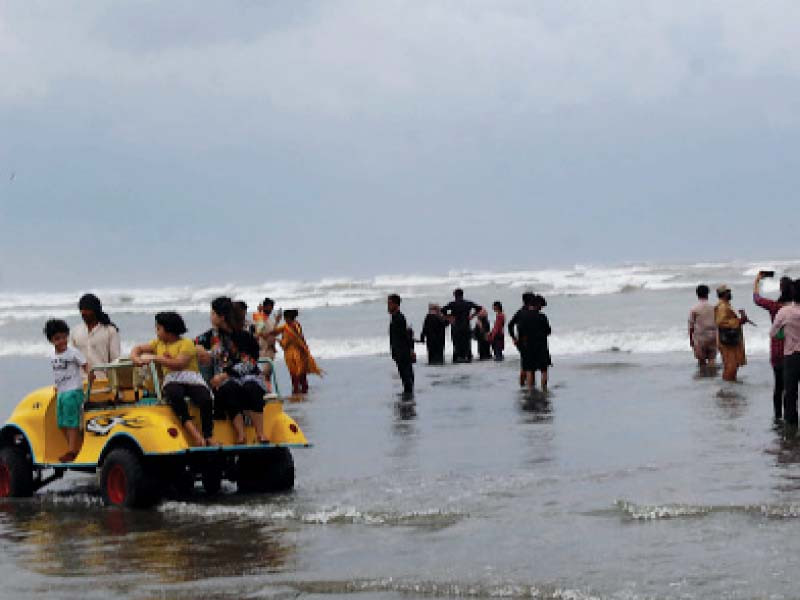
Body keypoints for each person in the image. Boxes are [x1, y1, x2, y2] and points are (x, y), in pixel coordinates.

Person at [131, 312, 215, 447]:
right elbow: (139, 348)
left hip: (190, 377)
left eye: (159, 328)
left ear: (169, 330)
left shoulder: (186, 343)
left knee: (205, 398)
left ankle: (208, 435)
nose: (156, 331)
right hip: (172, 379)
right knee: (174, 394)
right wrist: (135, 357)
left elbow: (179, 364)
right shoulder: (158, 343)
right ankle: (193, 431)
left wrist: (155, 358)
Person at [44, 319, 90, 462]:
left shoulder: (73, 352)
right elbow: (57, 373)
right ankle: (76, 445)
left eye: (64, 337)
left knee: (71, 422)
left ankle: (72, 451)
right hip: (62, 392)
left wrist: (91, 376)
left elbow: (85, 364)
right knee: (62, 423)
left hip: (73, 390)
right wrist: (57, 386)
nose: (62, 341)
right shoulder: (52, 356)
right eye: (57, 339)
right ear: (51, 340)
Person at [195, 297, 244, 429]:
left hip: (233, 378)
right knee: (201, 356)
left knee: (229, 386)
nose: (210, 316)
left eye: (212, 313)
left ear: (221, 317)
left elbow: (244, 362)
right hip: (214, 379)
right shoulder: (205, 337)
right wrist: (199, 350)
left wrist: (224, 376)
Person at [216, 331, 269, 444]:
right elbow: (223, 366)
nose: (231, 345)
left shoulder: (250, 356)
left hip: (251, 378)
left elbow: (247, 366)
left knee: (251, 388)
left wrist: (226, 374)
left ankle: (260, 433)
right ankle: (241, 434)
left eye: (233, 343)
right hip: (232, 381)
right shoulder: (225, 354)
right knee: (229, 389)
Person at [754, 272, 793, 419]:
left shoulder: (774, 306)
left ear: (781, 290)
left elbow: (756, 299)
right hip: (793, 352)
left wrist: (757, 280)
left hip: (777, 351)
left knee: (779, 387)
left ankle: (777, 417)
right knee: (791, 388)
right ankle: (790, 417)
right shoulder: (796, 309)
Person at [770, 280, 800, 427]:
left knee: (790, 394)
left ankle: (792, 430)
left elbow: (773, 332)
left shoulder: (784, 311)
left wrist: (785, 332)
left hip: (792, 356)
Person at [272, 309, 323, 394]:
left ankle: (297, 394)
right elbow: (301, 338)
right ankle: (302, 393)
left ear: (287, 318)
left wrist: (279, 341)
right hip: (297, 353)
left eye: (285, 318)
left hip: (293, 354)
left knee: (296, 376)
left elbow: (285, 342)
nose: (285, 320)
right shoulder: (295, 325)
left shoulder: (288, 327)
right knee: (301, 375)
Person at [509, 293, 552, 391]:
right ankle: (544, 390)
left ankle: (528, 391)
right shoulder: (542, 317)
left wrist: (515, 339)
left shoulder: (522, 315)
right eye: (541, 306)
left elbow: (518, 328)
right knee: (543, 369)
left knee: (528, 369)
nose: (541, 308)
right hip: (541, 346)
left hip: (527, 346)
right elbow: (548, 331)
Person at [70, 293, 121, 371]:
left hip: (103, 380)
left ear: (95, 310)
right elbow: (72, 359)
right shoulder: (75, 331)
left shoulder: (110, 331)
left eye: (87, 309)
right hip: (81, 381)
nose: (83, 312)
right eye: (81, 309)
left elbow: (115, 360)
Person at [714, 285, 748, 382]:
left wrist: (740, 320)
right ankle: (728, 390)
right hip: (727, 340)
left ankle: (729, 386)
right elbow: (721, 322)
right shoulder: (722, 306)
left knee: (733, 364)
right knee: (731, 366)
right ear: (724, 294)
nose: (730, 294)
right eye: (728, 292)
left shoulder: (726, 305)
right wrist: (739, 321)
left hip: (730, 339)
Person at [441, 289, 481, 363]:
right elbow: (479, 308)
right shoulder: (468, 303)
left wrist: (449, 317)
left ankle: (457, 358)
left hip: (456, 327)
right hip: (466, 326)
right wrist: (472, 316)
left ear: (455, 295)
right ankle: (467, 358)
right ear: (462, 295)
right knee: (466, 343)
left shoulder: (452, 304)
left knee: (457, 344)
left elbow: (442, 310)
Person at [253, 297, 282, 393]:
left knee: (268, 374)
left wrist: (277, 321)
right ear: (264, 306)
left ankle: (268, 392)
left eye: (272, 307)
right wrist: (259, 312)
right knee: (264, 374)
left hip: (270, 350)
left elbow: (272, 332)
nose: (270, 309)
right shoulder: (260, 318)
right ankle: (265, 392)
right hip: (263, 349)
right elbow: (259, 331)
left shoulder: (270, 320)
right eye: (269, 307)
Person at [388, 294, 414, 394]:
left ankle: (408, 403)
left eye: (390, 303)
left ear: (396, 304)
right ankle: (408, 401)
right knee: (406, 379)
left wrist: (411, 351)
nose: (388, 306)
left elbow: (407, 336)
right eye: (388, 303)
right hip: (399, 353)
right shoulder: (395, 318)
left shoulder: (399, 318)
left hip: (403, 354)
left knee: (407, 380)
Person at [688, 284, 718, 368]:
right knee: (712, 359)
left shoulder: (694, 309)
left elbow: (691, 326)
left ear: (697, 294)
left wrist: (691, 340)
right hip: (713, 337)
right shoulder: (713, 308)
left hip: (700, 338)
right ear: (707, 293)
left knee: (701, 361)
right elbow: (718, 323)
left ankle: (703, 378)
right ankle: (712, 377)